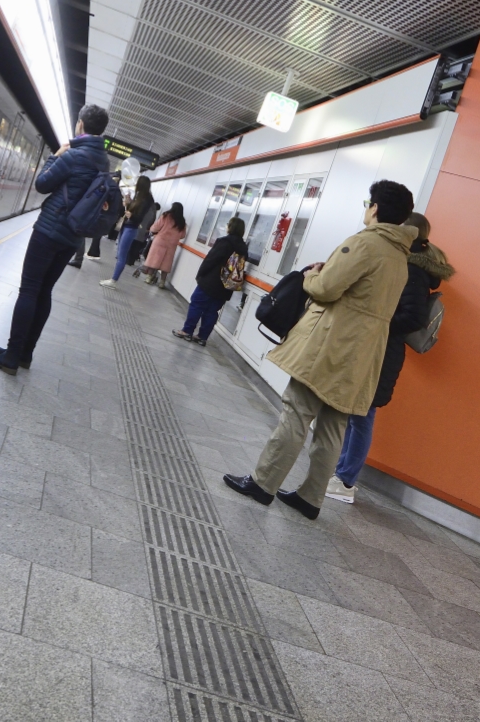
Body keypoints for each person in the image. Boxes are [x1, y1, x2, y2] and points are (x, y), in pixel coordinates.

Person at [223, 180, 416, 521]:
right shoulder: (400, 256)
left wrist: (312, 276)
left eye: (367, 203)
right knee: (333, 425)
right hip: (364, 354)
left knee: (296, 413)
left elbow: (327, 289)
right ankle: (311, 498)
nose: (366, 208)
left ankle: (262, 483)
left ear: (375, 208)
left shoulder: (366, 243)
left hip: (332, 344)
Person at [326, 212, 453, 504]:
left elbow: (412, 317)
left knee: (362, 415)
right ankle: (341, 474)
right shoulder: (406, 266)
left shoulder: (414, 273)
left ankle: (345, 482)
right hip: (380, 351)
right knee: (357, 414)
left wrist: (378, 322)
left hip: (383, 353)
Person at [0, 105, 111, 374]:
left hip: (48, 230)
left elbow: (42, 184)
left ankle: (11, 357)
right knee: (44, 292)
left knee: (29, 290)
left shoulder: (74, 155)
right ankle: (24, 354)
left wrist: (55, 156)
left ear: (80, 125)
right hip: (72, 236)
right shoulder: (103, 160)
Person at [173, 217, 246, 346]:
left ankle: (187, 331)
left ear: (231, 227)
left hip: (211, 281)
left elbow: (210, 260)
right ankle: (202, 337)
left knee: (197, 304)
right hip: (226, 285)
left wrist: (200, 275)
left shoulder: (224, 242)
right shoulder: (243, 247)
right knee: (212, 311)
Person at [103, 176, 156, 287]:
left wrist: (131, 215)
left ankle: (114, 280)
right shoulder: (139, 197)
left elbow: (139, 217)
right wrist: (128, 203)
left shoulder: (146, 200)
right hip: (126, 226)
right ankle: (113, 279)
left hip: (131, 228)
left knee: (122, 256)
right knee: (119, 254)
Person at [138, 202, 186, 285]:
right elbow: (182, 235)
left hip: (160, 241)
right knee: (166, 263)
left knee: (154, 260)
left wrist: (152, 230)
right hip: (171, 244)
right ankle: (162, 282)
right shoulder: (182, 222)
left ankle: (149, 278)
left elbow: (155, 227)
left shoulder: (166, 216)